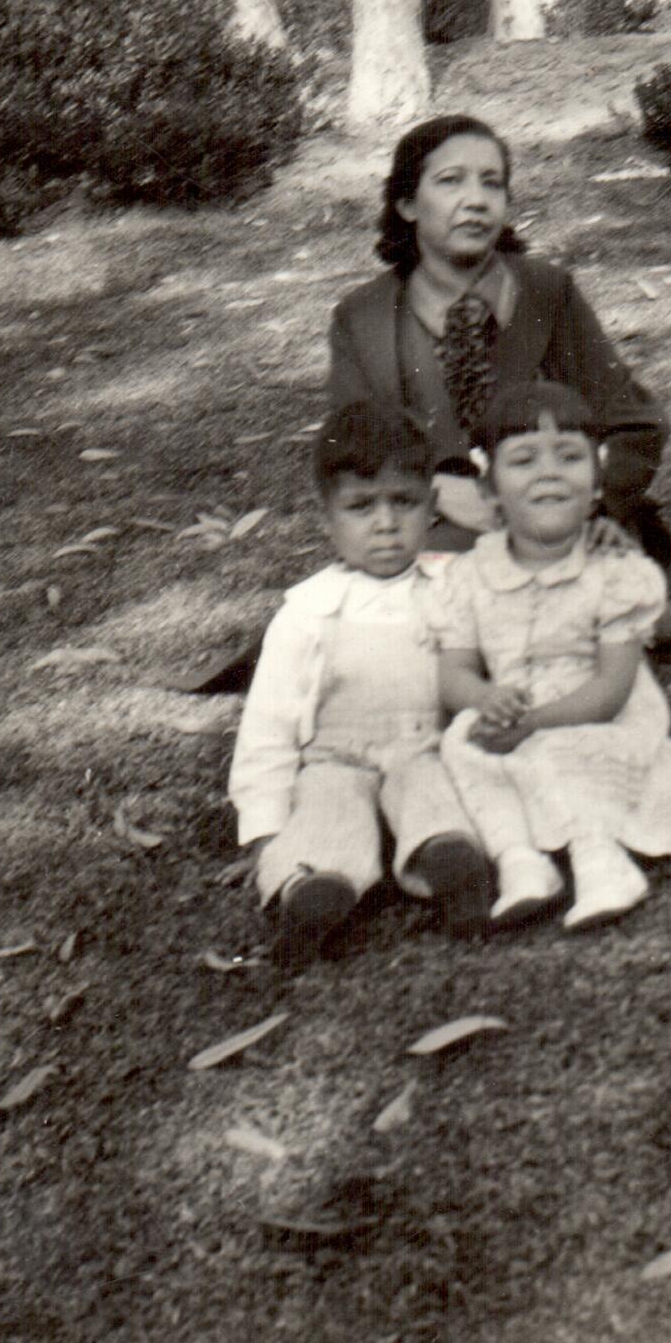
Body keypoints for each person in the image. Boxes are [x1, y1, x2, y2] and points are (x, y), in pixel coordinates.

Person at [327, 113, 671, 654]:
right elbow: (353, 450)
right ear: (407, 204)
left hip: (564, 525)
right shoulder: (362, 318)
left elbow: (634, 425)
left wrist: (580, 500)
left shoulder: (547, 294)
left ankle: (625, 620)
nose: (476, 199)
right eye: (450, 180)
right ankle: (650, 625)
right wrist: (434, 491)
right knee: (410, 609)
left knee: (468, 613)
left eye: (492, 182)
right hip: (438, 533)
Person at [428, 383, 671, 932]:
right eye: (524, 460)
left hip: (594, 712)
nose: (549, 473)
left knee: (559, 748)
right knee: (462, 745)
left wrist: (530, 723)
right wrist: (487, 700)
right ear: (491, 491)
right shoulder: (468, 576)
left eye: (570, 457)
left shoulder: (615, 574)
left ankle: (600, 858)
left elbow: (612, 691)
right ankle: (520, 863)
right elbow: (452, 672)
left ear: (598, 482)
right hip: (515, 709)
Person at [227, 401, 491, 969]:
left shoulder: (454, 585)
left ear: (432, 505)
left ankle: (451, 865)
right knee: (326, 815)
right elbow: (268, 727)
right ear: (328, 518)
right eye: (361, 506)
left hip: (424, 745)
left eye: (404, 502)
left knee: (435, 791)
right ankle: (313, 892)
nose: (386, 523)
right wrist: (263, 827)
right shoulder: (308, 612)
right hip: (335, 756)